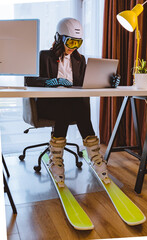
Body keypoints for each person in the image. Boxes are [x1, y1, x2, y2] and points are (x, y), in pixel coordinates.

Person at [35, 18, 111, 187]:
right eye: (70, 41)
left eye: (78, 42)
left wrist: (108, 80)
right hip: (49, 105)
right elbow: (31, 80)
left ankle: (81, 160)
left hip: (70, 107)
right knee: (73, 107)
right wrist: (50, 82)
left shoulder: (79, 59)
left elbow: (86, 82)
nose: (73, 46)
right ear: (59, 38)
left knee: (76, 104)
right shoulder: (44, 56)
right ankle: (92, 160)